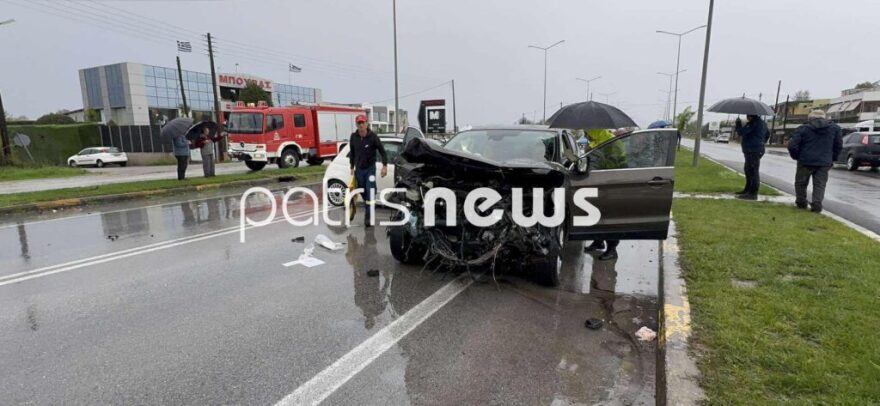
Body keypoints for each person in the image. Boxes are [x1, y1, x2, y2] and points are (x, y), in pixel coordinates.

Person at [786, 110, 842, 213]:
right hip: (824, 162)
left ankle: (801, 202)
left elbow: (792, 145)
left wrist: (796, 156)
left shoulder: (803, 129)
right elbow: (838, 146)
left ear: (810, 118)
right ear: (824, 118)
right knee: (820, 184)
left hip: (805, 160)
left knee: (801, 183)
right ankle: (817, 204)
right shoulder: (835, 129)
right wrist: (832, 158)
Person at [583, 128, 624, 260]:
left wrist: (594, 152)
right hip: (597, 183)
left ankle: (612, 248)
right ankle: (598, 241)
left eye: (587, 132)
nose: (586, 135)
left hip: (610, 184)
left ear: (596, 131)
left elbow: (614, 163)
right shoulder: (596, 142)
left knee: (608, 217)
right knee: (596, 215)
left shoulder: (611, 143)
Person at [349, 114, 388, 227]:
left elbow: (382, 151)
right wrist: (351, 167)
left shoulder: (373, 137)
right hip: (359, 169)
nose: (361, 125)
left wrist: (384, 166)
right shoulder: (353, 137)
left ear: (367, 123)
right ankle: (369, 204)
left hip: (370, 169)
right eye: (359, 123)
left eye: (363, 122)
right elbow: (352, 152)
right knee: (363, 191)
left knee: (369, 190)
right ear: (356, 124)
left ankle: (368, 217)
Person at [734, 114, 770, 200]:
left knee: (753, 171)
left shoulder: (754, 123)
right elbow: (767, 134)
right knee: (748, 170)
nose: (747, 117)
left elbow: (741, 132)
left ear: (752, 116)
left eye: (748, 116)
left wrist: (738, 124)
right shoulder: (762, 123)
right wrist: (761, 142)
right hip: (754, 149)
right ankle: (747, 190)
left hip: (753, 150)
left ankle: (753, 193)